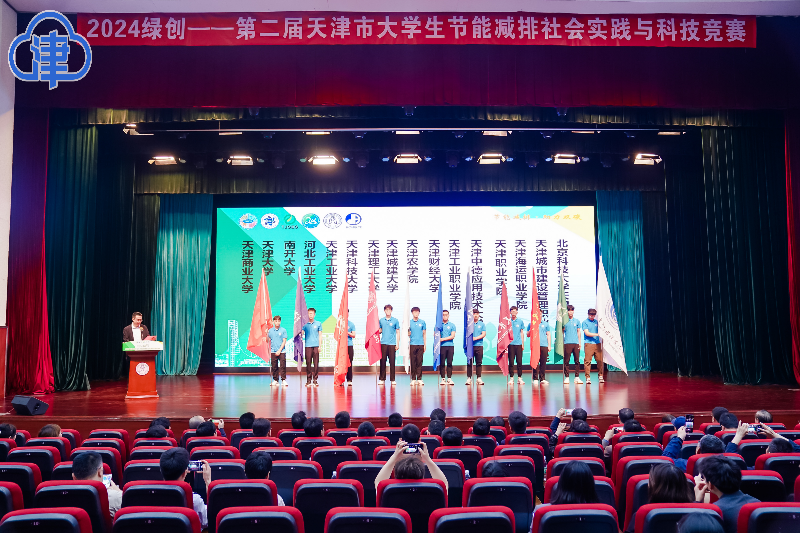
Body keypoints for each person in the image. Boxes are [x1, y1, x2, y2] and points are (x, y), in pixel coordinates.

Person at [695, 455, 759, 533]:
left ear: (710, 485)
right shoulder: (757, 503)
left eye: (704, 479)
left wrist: (697, 502)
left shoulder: (715, 512)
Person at [625, 463, 693, 532]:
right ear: (685, 486)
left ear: (654, 487)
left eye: (650, 481)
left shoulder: (643, 515)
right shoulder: (695, 512)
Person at [160, 447, 211, 529]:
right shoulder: (194, 500)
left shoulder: (150, 495)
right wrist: (208, 482)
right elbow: (208, 520)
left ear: (161, 471)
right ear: (184, 473)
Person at [374, 440, 449, 493]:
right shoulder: (434, 491)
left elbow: (378, 482)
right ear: (422, 475)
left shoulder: (387, 491)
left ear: (396, 474)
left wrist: (394, 456)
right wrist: (428, 459)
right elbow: (444, 483)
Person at [72, 451, 122, 518]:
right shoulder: (116, 496)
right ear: (100, 472)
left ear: (74, 477)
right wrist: (119, 492)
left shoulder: (64, 498)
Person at [378, 304, 401, 385]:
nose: (388, 311)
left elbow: (398, 332)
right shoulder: (381, 320)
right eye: (386, 310)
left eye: (389, 310)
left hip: (392, 344)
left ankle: (392, 379)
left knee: (392, 362)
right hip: (383, 343)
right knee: (382, 362)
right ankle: (382, 379)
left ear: (391, 311)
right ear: (384, 311)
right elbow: (380, 330)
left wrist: (397, 344)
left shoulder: (395, 320)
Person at [582, 308, 604, 384]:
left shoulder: (597, 322)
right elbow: (587, 333)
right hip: (589, 344)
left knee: (600, 361)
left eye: (593, 315)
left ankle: (600, 376)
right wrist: (597, 334)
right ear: (588, 314)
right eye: (590, 315)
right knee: (587, 361)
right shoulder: (585, 322)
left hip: (597, 344)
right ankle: (587, 377)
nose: (592, 317)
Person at [562, 305, 583, 385]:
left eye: (572, 310)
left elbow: (578, 332)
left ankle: (577, 377)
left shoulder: (577, 321)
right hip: (567, 343)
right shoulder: (564, 321)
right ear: (567, 311)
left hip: (576, 343)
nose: (570, 312)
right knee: (566, 361)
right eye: (569, 310)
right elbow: (562, 331)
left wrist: (579, 343)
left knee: (577, 361)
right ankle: (567, 377)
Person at [302, 308, 322, 387]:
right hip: (308, 346)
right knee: (308, 363)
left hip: (316, 346)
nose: (310, 315)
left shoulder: (318, 323)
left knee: (316, 364)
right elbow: (301, 333)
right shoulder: (304, 324)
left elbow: (320, 335)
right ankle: (309, 380)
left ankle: (315, 380)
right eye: (309, 313)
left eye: (311, 313)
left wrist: (320, 346)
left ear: (314, 314)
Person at [528, 316, 551, 384]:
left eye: (540, 313)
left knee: (543, 362)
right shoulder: (531, 323)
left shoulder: (545, 324)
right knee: (535, 362)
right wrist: (531, 329)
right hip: (535, 346)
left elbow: (548, 335)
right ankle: (535, 378)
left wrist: (549, 345)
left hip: (544, 345)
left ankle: (542, 379)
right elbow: (528, 335)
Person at [466, 309, 486, 386]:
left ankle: (479, 378)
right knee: (469, 363)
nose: (475, 315)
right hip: (470, 347)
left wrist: (475, 338)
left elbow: (483, 334)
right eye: (474, 314)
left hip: (479, 345)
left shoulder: (482, 324)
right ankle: (469, 378)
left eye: (477, 314)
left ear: (479, 315)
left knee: (479, 362)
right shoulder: (469, 324)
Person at [268, 315, 288, 387]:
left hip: (282, 351)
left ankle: (283, 380)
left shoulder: (283, 330)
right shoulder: (270, 331)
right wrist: (266, 334)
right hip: (273, 351)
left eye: (278, 321)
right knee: (274, 366)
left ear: (280, 322)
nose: (277, 322)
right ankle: (275, 380)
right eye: (276, 321)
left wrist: (279, 350)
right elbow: (267, 340)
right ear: (273, 322)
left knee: (282, 366)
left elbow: (284, 341)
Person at [408, 306, 426, 386]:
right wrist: (408, 333)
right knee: (413, 362)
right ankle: (413, 379)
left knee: (419, 362)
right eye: (414, 312)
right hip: (412, 344)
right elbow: (406, 333)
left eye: (417, 312)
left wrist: (425, 344)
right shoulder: (409, 323)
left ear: (419, 313)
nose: (416, 313)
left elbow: (424, 334)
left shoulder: (422, 322)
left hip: (420, 344)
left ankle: (419, 379)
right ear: (412, 313)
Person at [508, 306, 526, 385]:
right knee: (511, 362)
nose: (513, 312)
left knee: (519, 362)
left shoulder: (520, 321)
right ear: (510, 312)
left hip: (518, 344)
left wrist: (522, 344)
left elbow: (522, 332)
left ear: (517, 312)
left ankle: (519, 378)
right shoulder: (508, 321)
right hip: (510, 344)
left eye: (515, 311)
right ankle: (511, 378)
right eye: (512, 311)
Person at [439, 310, 457, 385]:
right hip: (442, 347)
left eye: (446, 315)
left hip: (450, 346)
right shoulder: (439, 325)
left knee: (449, 362)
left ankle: (449, 378)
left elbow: (452, 336)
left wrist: (442, 339)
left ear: (448, 315)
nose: (445, 316)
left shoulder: (452, 325)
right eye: (443, 315)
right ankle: (443, 379)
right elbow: (436, 335)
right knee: (442, 363)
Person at [346, 312, 356, 386]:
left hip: (349, 345)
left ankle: (349, 379)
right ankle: (341, 379)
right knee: (341, 363)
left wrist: (347, 332)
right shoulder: (339, 324)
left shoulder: (351, 324)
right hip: (341, 346)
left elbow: (353, 335)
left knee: (349, 363)